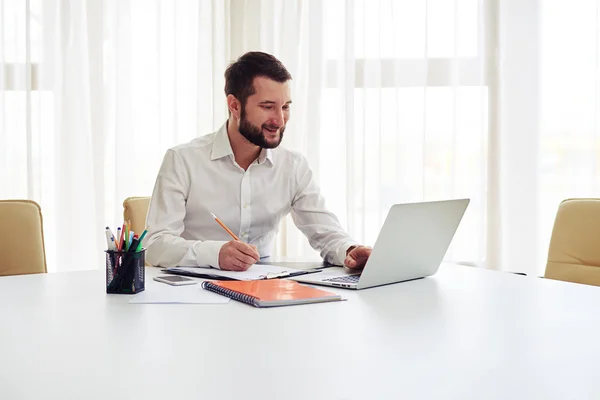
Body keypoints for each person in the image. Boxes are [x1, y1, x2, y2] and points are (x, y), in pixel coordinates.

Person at [145, 51, 372, 271]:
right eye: (267, 107)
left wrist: (349, 250)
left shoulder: (293, 166)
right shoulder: (183, 160)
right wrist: (215, 254)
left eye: (285, 107)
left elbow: (326, 234)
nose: (280, 120)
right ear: (234, 105)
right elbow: (155, 246)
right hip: (193, 293)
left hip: (263, 290)